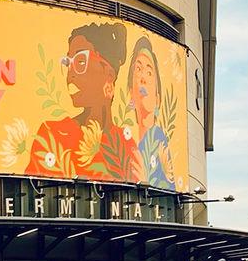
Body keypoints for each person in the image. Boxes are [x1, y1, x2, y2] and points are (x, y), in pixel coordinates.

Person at [26, 22, 142, 182]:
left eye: (80, 61)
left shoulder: (126, 144)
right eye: (68, 63)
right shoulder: (52, 134)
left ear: (108, 73)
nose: (70, 74)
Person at [126, 36, 176, 189]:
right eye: (138, 69)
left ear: (157, 99)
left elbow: (169, 187)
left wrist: (144, 179)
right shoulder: (126, 141)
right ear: (130, 93)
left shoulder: (159, 140)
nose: (143, 79)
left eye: (149, 72)